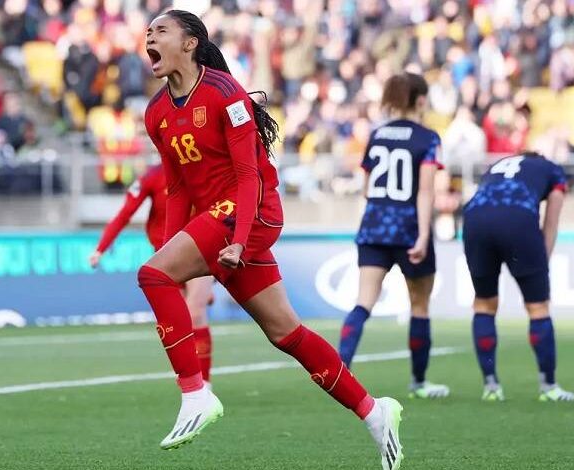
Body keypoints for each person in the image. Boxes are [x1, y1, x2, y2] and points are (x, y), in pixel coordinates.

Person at [139, 11, 403, 470]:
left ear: (190, 42)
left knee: (150, 275)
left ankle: (195, 392)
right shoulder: (157, 113)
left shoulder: (225, 94)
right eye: (148, 32)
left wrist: (240, 240)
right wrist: (169, 247)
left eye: (160, 30)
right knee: (287, 333)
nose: (149, 37)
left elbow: (248, 175)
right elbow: (176, 188)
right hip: (218, 224)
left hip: (251, 214)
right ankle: (374, 411)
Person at [337, 72, 450, 400]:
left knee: (363, 302)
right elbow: (426, 191)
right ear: (420, 99)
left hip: (374, 226)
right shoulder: (428, 137)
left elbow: (368, 187)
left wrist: (370, 221)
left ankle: (340, 372)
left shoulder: (377, 134)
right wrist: (424, 235)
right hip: (408, 228)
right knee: (419, 305)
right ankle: (419, 382)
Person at [463, 151, 574, 402]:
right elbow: (551, 222)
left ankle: (491, 386)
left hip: (474, 218)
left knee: (484, 303)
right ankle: (549, 387)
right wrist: (541, 264)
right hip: (518, 218)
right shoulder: (552, 168)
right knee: (537, 308)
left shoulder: (497, 165)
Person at [89, 164, 216, 386]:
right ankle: (192, 377)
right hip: (166, 257)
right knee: (179, 318)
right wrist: (101, 248)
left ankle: (203, 385)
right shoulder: (153, 177)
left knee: (195, 311)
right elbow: (125, 212)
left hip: (200, 249)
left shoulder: (205, 170)